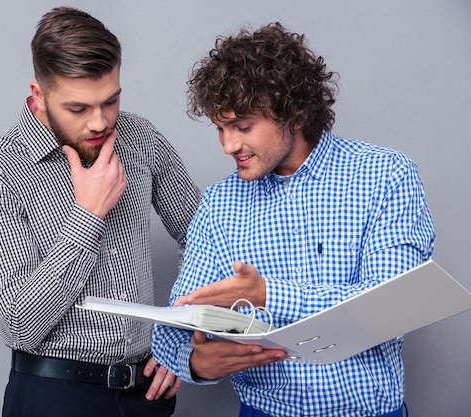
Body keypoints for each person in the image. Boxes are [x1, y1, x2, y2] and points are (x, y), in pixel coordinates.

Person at [152, 22, 435, 417]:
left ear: (297, 113)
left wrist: (268, 295)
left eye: (243, 126)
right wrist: (198, 364)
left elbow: (394, 305)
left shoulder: (385, 175)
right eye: (220, 128)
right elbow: (172, 330)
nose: (228, 145)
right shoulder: (220, 203)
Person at [0, 6, 201, 417]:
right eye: (78, 109)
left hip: (146, 394)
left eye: (111, 100)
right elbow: (20, 323)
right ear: (38, 96)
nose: (100, 122)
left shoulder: (140, 137)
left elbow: (208, 237)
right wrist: (88, 214)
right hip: (54, 394)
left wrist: (182, 340)